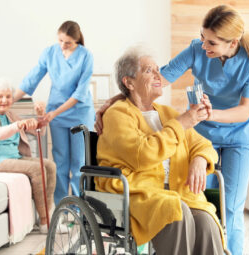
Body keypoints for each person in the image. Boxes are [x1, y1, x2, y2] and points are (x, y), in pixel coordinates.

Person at [94, 5, 249, 255]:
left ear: (232, 43)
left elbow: (243, 111)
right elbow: (161, 77)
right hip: (161, 170)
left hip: (239, 132)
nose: (203, 46)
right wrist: (115, 100)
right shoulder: (123, 114)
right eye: (202, 38)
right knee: (189, 204)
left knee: (226, 210)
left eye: (211, 43)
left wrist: (199, 156)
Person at [94, 47, 227, 255]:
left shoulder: (167, 113)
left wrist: (200, 159)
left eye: (158, 70)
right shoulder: (117, 114)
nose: (159, 75)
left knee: (205, 221)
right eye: (149, 71)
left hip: (174, 191)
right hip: (137, 190)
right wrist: (182, 122)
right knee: (175, 210)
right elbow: (142, 155)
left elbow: (203, 145)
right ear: (129, 82)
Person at [14, 21, 95, 205]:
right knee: (59, 163)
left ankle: (79, 209)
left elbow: (79, 94)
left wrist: (53, 113)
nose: (63, 46)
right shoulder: (50, 53)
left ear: (76, 40)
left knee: (79, 164)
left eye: (68, 43)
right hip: (56, 115)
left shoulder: (85, 56)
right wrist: (9, 100)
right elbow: (31, 79)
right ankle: (62, 207)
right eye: (60, 41)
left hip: (79, 113)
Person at [0, 78, 59, 233]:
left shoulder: (10, 115)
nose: (4, 100)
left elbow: (40, 131)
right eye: (0, 96)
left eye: (8, 97)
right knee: (37, 169)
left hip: (14, 157)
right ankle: (45, 223)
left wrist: (40, 116)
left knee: (50, 165)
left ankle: (49, 215)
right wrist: (19, 125)